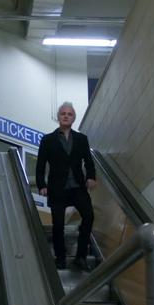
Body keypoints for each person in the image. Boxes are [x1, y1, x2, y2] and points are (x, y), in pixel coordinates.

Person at [35, 102, 96, 271]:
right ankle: (60, 258)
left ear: (74, 117)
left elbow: (89, 163)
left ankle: (81, 257)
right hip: (57, 188)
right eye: (63, 113)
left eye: (69, 114)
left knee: (89, 216)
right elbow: (40, 166)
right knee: (58, 225)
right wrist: (42, 185)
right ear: (59, 117)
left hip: (77, 187)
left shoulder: (81, 139)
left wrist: (91, 177)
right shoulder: (47, 140)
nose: (66, 116)